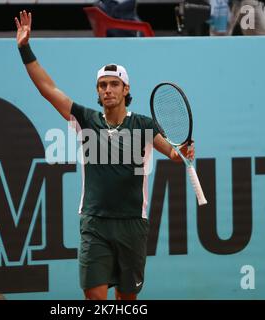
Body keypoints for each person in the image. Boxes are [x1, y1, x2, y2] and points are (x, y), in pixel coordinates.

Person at [15, 11, 194, 300]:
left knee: (126, 300)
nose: (107, 89)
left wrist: (183, 151)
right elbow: (47, 89)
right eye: (102, 85)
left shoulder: (144, 125)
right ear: (98, 92)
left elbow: (173, 154)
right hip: (94, 223)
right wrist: (25, 48)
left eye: (113, 84)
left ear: (126, 89)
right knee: (95, 296)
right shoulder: (86, 120)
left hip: (132, 224)